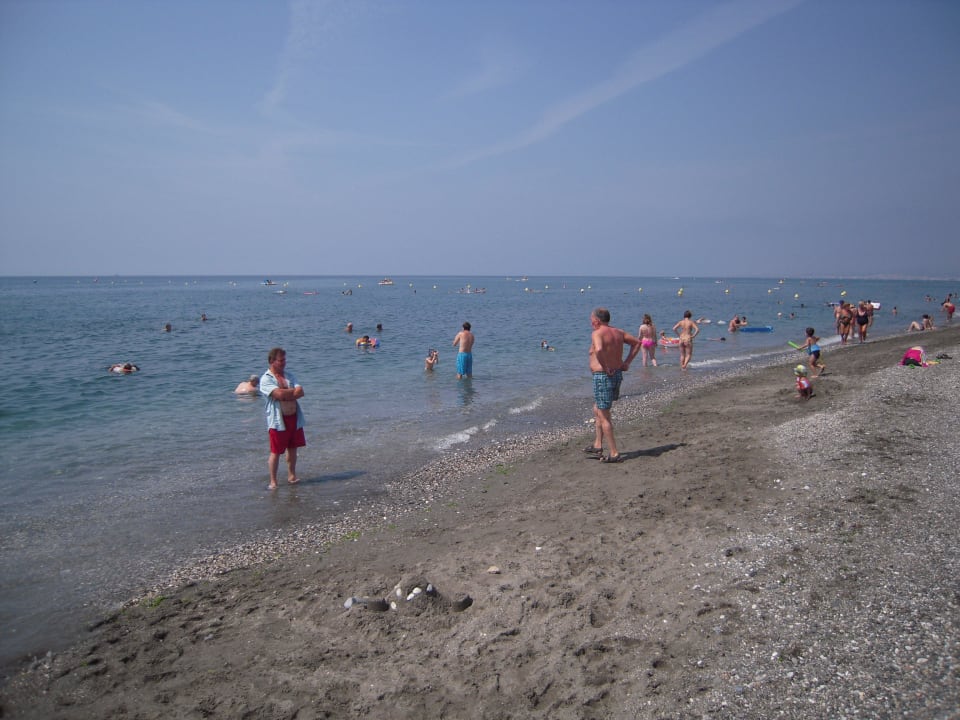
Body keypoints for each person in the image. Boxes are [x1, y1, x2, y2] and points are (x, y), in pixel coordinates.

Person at [584, 307, 641, 464]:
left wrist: (605, 365)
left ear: (597, 321)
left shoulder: (597, 333)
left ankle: (614, 453)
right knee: (598, 409)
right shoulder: (618, 332)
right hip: (615, 375)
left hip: (604, 376)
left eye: (591, 320)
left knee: (604, 415)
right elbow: (637, 343)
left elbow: (600, 349)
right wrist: (626, 363)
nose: (590, 322)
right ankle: (597, 444)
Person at [259, 347, 306, 490]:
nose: (284, 363)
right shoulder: (266, 379)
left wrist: (287, 393)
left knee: (293, 448)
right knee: (276, 451)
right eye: (281, 360)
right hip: (278, 421)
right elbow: (278, 395)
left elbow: (301, 392)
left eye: (285, 359)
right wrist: (291, 393)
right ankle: (273, 481)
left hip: (294, 417)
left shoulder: (289, 376)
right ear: (272, 361)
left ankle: (292, 475)